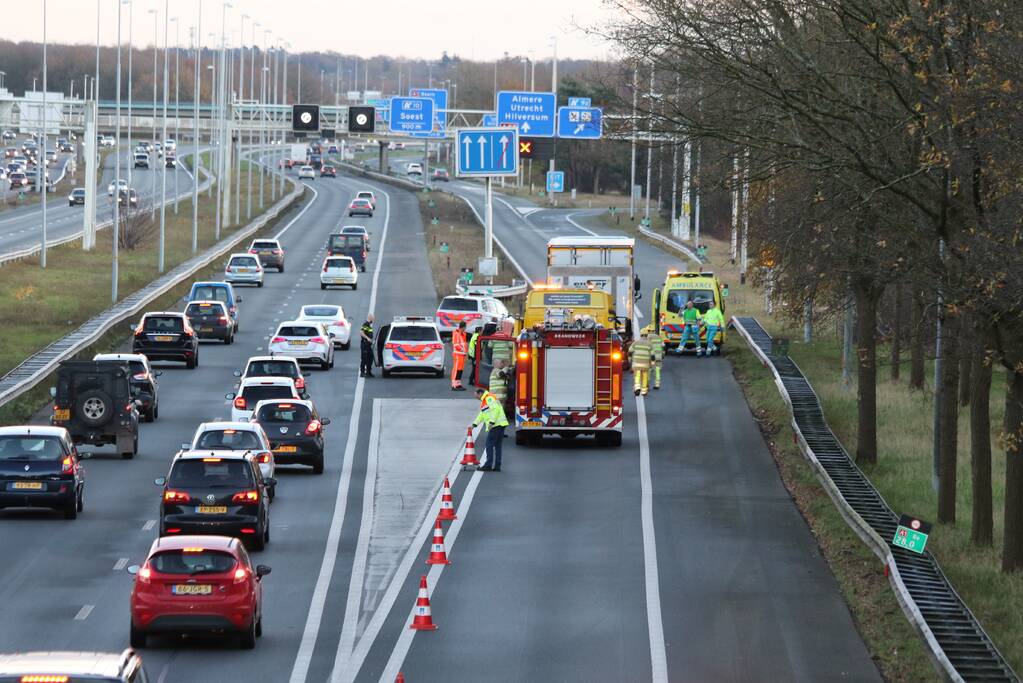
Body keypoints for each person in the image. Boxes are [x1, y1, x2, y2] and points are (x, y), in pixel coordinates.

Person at [472, 387, 508, 471]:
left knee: (489, 445)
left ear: (480, 393)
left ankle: (488, 465)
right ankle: (497, 466)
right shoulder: (487, 399)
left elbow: (495, 410)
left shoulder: (489, 398)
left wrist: (491, 422)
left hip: (496, 425)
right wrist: (474, 424)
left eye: (477, 396)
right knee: (498, 446)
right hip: (500, 424)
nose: (477, 398)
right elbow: (482, 414)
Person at [629, 330, 653, 396]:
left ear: (641, 335)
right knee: (645, 377)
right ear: (647, 335)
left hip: (636, 364)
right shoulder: (649, 344)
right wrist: (652, 364)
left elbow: (630, 351)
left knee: (637, 376)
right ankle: (644, 392)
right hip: (645, 365)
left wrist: (630, 359)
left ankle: (637, 388)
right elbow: (653, 355)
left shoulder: (636, 342)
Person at [450, 321, 468, 391]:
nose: (465, 329)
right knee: (456, 370)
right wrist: (463, 350)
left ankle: (458, 384)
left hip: (461, 355)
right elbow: (456, 345)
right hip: (457, 354)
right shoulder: (456, 334)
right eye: (465, 327)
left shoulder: (463, 334)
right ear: (463, 327)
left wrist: (465, 353)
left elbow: (463, 344)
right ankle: (454, 385)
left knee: (460, 370)